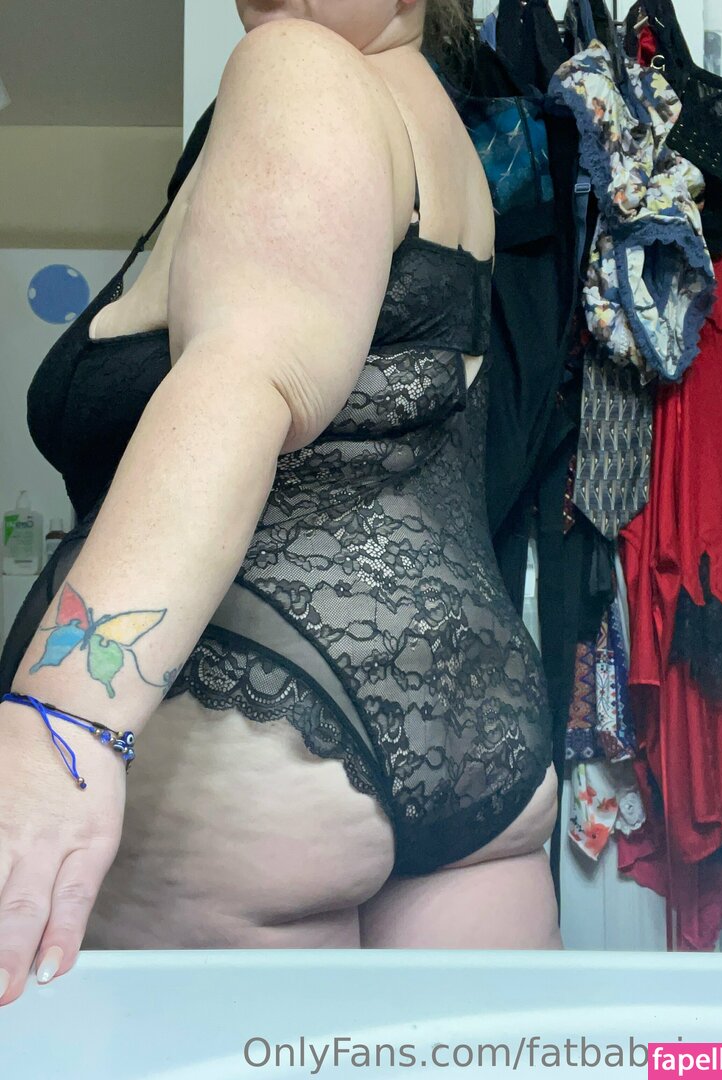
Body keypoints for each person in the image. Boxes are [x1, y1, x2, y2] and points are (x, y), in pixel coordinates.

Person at [0, 0, 560, 1007]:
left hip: (260, 766)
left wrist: (62, 722)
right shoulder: (436, 127)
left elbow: (246, 378)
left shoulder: (296, 66)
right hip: (481, 741)